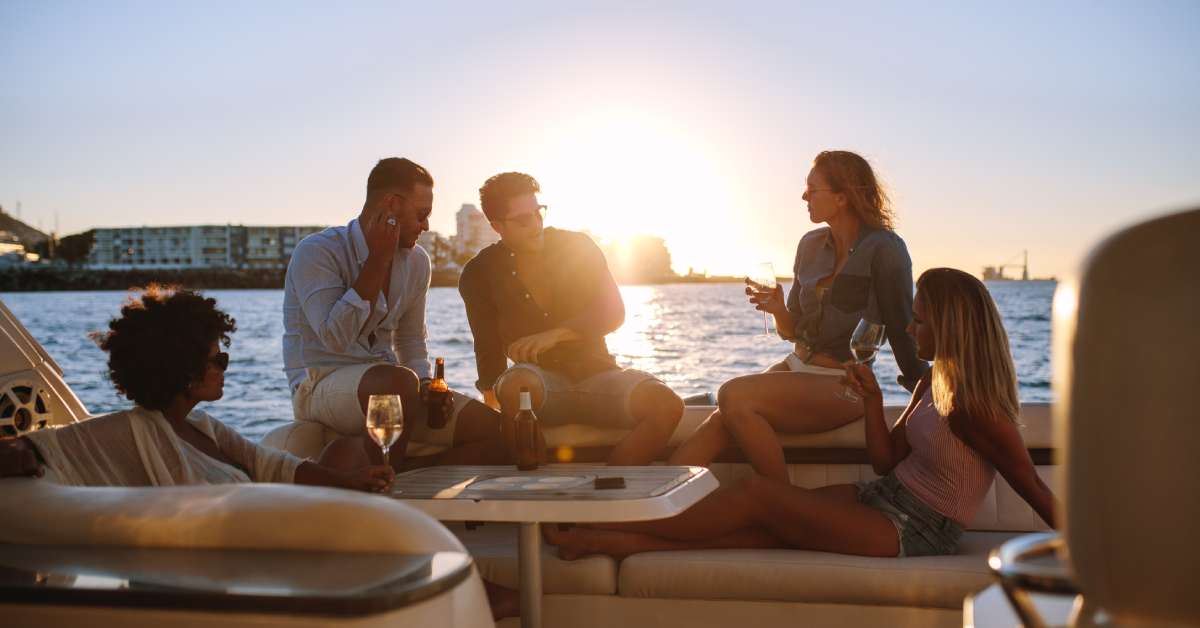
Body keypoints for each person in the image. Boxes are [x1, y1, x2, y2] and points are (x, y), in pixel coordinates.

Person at [546, 268, 1057, 559]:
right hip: (882, 495)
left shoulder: (977, 411)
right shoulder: (931, 380)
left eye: (919, 318)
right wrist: (876, 401)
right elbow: (883, 461)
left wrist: (1095, 560)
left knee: (756, 495)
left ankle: (606, 537)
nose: (911, 326)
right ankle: (620, 541)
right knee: (772, 524)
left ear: (950, 325)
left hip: (916, 529)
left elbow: (1031, 487)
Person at [668, 150, 929, 483]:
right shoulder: (809, 245)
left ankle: (783, 506)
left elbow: (903, 333)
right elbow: (794, 332)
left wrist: (933, 394)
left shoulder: (886, 250)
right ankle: (654, 501)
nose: (804, 196)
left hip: (844, 383)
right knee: (726, 415)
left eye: (812, 188)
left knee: (732, 395)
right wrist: (778, 308)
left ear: (842, 196)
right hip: (797, 366)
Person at [0, 286, 393, 492]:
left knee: (346, 451)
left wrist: (351, 482)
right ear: (185, 370)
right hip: (208, 569)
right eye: (217, 360)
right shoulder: (127, 433)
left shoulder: (203, 426)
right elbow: (37, 447)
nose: (225, 368)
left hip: (258, 540)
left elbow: (270, 465)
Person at [283, 157, 508, 469]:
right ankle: (385, 477)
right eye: (422, 214)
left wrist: (428, 386)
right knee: (396, 382)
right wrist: (377, 260)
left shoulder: (417, 261)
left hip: (394, 388)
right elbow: (335, 339)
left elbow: (411, 340)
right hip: (320, 383)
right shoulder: (318, 252)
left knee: (501, 432)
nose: (427, 225)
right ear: (391, 206)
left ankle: (403, 470)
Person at [458, 172, 683, 465]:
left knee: (668, 406)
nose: (536, 225)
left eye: (539, 213)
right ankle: (537, 494)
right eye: (523, 220)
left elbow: (613, 313)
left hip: (601, 374)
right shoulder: (479, 273)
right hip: (538, 386)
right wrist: (496, 410)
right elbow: (487, 350)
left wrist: (555, 334)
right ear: (497, 226)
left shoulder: (577, 246)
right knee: (515, 384)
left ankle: (611, 489)